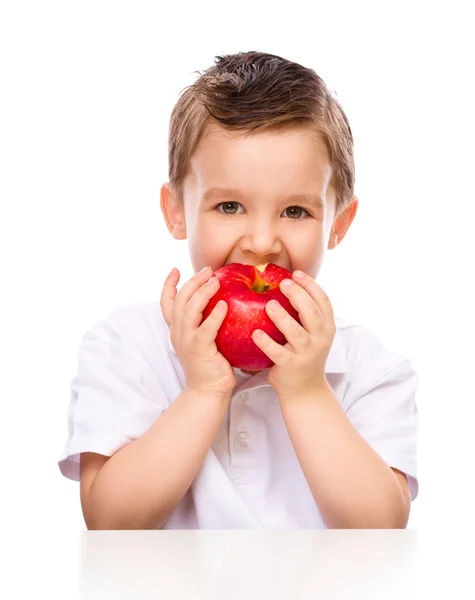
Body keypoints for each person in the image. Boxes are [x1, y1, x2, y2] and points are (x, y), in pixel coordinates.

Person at [58, 51, 418, 529]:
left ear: (338, 224)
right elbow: (111, 521)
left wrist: (308, 391)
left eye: (295, 212)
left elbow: (381, 531)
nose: (262, 243)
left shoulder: (370, 369)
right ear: (176, 211)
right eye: (229, 206)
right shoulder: (127, 346)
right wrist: (204, 389)